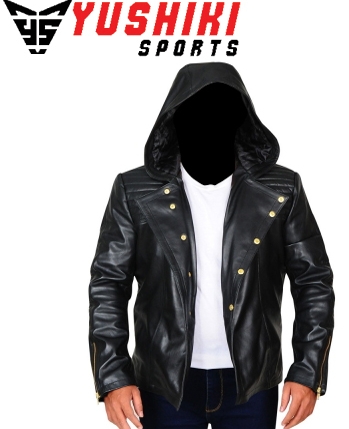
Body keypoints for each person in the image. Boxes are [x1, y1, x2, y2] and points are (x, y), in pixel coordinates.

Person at [88, 61, 335, 429]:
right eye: (195, 111)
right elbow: (108, 283)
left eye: (222, 110)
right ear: (174, 118)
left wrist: (307, 371)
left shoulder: (281, 189)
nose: (209, 121)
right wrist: (113, 377)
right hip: (163, 383)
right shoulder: (135, 190)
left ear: (242, 119)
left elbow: (313, 281)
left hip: (252, 383)